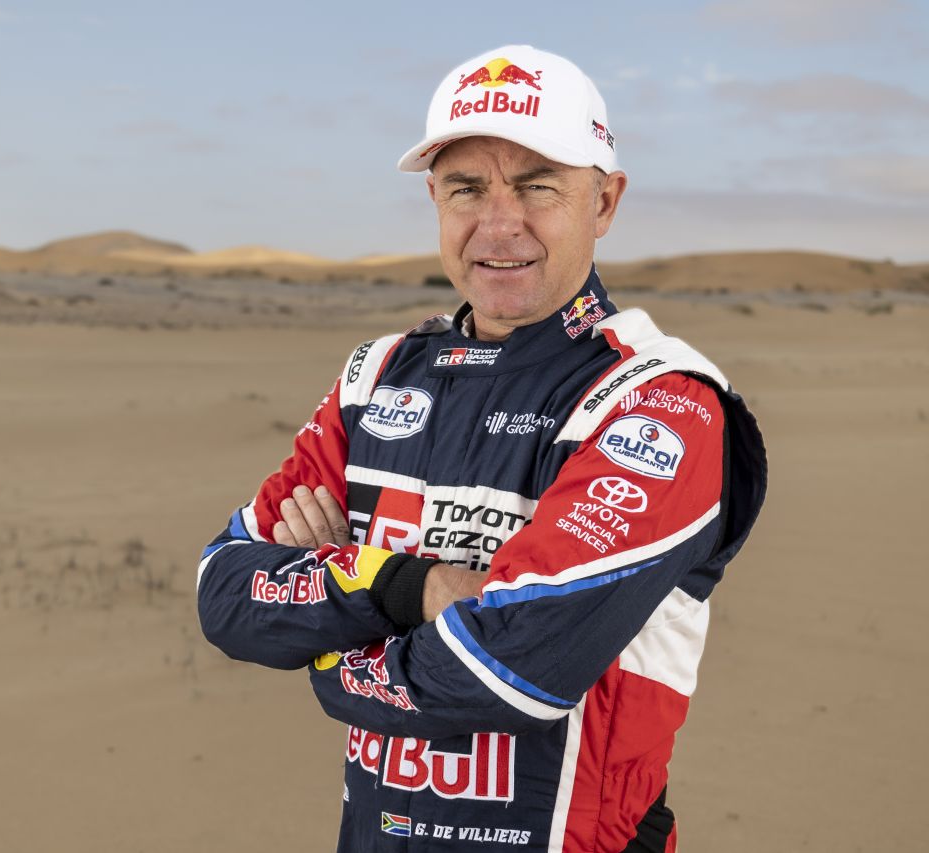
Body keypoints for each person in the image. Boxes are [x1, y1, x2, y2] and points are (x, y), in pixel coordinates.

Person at [197, 45, 766, 852]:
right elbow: (223, 593)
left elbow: (511, 670)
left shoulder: (659, 400)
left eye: (538, 185)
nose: (499, 225)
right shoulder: (377, 376)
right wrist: (411, 588)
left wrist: (327, 641)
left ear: (604, 202)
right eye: (467, 188)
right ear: (434, 199)